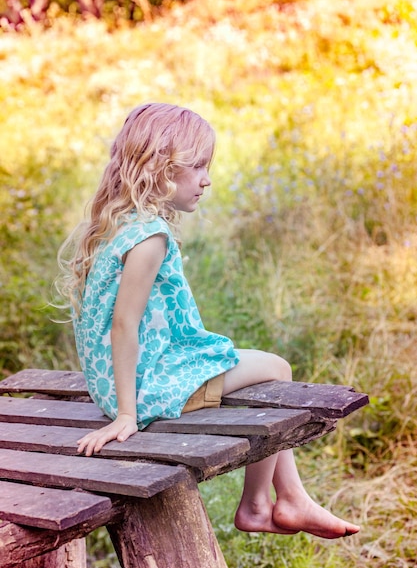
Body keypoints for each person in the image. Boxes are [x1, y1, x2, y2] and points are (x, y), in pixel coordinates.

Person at [57, 102, 360, 539]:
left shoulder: (120, 225)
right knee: (276, 370)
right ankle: (259, 505)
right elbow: (123, 324)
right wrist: (126, 414)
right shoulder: (149, 239)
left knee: (253, 369)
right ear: (159, 168)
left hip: (132, 378)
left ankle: (291, 498)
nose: (206, 179)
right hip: (148, 386)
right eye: (197, 166)